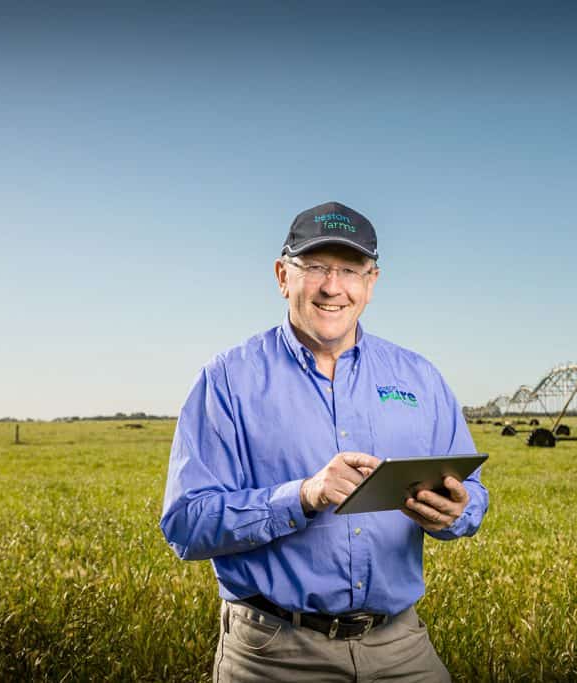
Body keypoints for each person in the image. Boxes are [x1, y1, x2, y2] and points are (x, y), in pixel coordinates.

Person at [159, 201, 488, 682]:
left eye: (350, 270)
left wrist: (458, 513)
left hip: (401, 647)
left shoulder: (421, 378)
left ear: (371, 282)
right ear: (282, 276)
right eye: (315, 267)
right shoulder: (228, 379)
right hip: (273, 654)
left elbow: (473, 494)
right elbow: (185, 525)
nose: (333, 286)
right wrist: (302, 496)